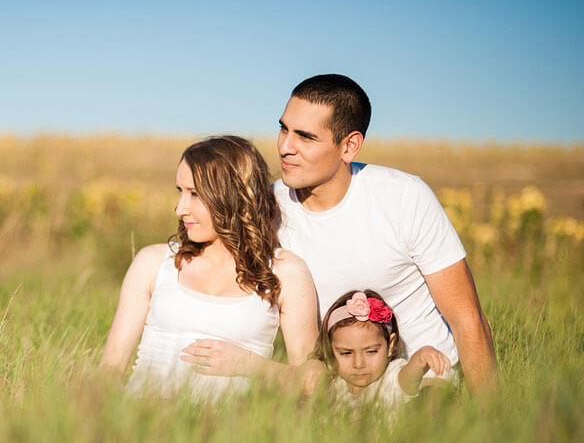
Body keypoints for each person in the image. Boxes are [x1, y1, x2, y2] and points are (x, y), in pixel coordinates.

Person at [273, 74, 497, 396]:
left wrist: (491, 425)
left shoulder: (405, 197)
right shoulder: (269, 207)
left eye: (305, 137)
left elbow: (467, 319)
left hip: (425, 385)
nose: (285, 146)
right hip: (335, 390)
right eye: (284, 128)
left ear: (348, 146)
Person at [99, 135, 318, 400]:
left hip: (233, 434)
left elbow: (313, 381)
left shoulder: (286, 271)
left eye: (195, 194)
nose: (180, 209)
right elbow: (109, 372)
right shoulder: (154, 263)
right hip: (144, 424)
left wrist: (250, 365)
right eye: (180, 192)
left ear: (234, 195)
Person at [312, 290, 454, 411]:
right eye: (346, 353)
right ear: (330, 349)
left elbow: (409, 378)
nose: (359, 364)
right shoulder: (334, 385)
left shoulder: (391, 378)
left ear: (390, 345)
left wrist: (420, 358)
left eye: (371, 351)